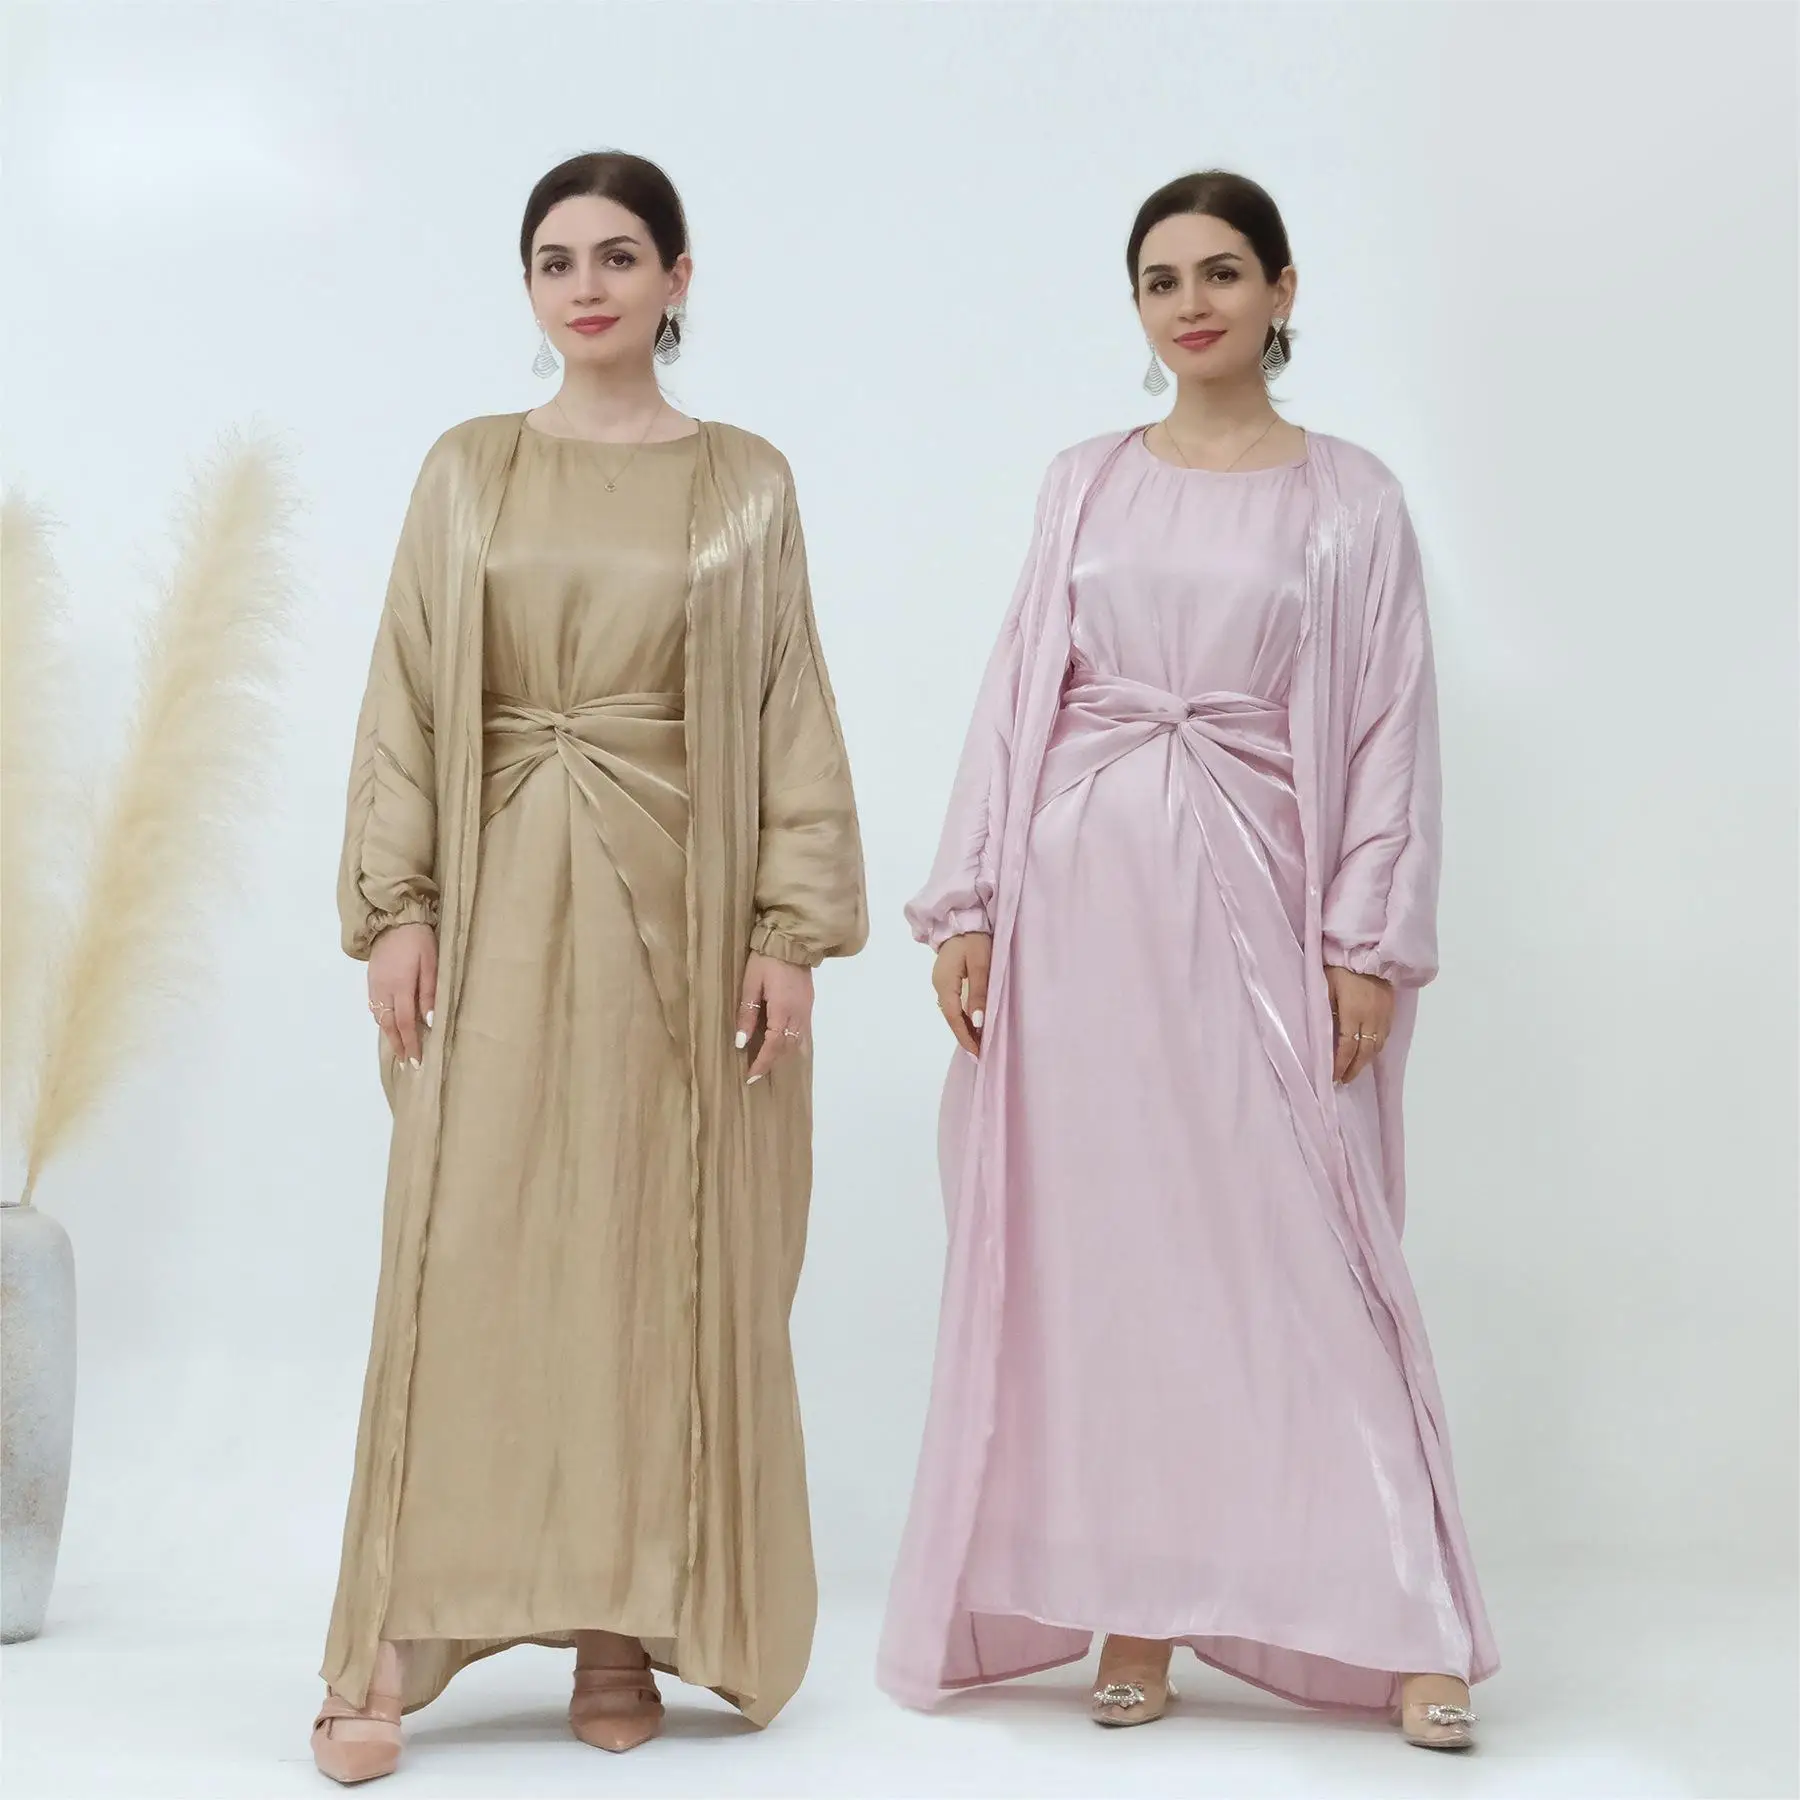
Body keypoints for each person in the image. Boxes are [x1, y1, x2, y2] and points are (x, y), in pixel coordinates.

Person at [877, 169, 1497, 1752]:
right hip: (1082, 909)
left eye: (1223, 272)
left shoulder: (1351, 498)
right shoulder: (1084, 482)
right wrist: (973, 902)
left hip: (1262, 903)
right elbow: (1017, 690)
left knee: (1312, 1258)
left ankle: (1410, 1623)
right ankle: (1135, 1602)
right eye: (1161, 280)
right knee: (1110, 1262)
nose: (1192, 303)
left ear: (1283, 292)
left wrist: (1367, 940)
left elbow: (1392, 726)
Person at [309, 150, 867, 1784]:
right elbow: (408, 690)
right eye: (555, 260)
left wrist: (788, 933)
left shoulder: (744, 484)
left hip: (676, 919)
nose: (587, 285)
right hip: (494, 902)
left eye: (620, 255)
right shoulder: (467, 469)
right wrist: (397, 904)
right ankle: (390, 1639)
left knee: (644, 1251)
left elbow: (790, 710)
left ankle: (620, 1628)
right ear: (530, 287)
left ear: (679, 278)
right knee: (465, 1251)